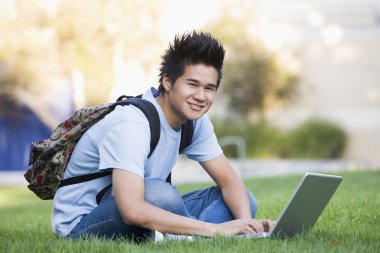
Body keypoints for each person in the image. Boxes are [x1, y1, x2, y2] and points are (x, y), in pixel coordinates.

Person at [52, 31, 273, 240]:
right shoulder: (132, 123)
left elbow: (229, 181)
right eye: (192, 84)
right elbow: (131, 208)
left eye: (209, 88)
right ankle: (186, 235)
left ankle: (178, 236)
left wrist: (246, 225)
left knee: (244, 200)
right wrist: (214, 229)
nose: (201, 96)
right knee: (160, 194)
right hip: (83, 224)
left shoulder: (195, 123)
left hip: (143, 206)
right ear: (167, 81)